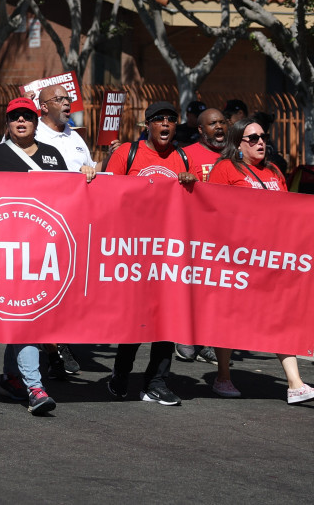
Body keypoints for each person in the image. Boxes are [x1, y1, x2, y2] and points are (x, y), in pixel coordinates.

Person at [0, 97, 94, 414]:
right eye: (15, 117)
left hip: (45, 252)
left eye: (27, 116)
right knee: (26, 318)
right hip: (9, 252)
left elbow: (67, 195)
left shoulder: (52, 155)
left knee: (28, 318)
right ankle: (35, 387)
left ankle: (10, 379)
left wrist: (84, 175)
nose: (21, 121)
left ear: (35, 121)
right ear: (7, 123)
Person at [207, 118, 314, 404]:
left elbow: (288, 209)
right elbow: (212, 210)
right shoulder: (225, 169)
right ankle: (223, 376)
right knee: (229, 318)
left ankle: (295, 384)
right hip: (237, 258)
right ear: (238, 144)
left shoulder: (274, 171)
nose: (261, 142)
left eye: (263, 137)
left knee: (280, 317)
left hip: (272, 259)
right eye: (252, 138)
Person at [103, 101, 197, 406]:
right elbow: (107, 193)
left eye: (171, 119)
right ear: (149, 126)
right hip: (133, 251)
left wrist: (191, 183)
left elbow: (198, 204)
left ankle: (157, 382)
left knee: (167, 318)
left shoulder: (183, 157)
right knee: (136, 318)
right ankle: (120, 373)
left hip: (169, 252)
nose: (166, 124)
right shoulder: (127, 153)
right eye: (159, 120)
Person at [32, 82, 97, 379]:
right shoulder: (34, 134)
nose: (68, 103)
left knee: (69, 288)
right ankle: (53, 349)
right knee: (46, 286)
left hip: (75, 224)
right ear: (43, 106)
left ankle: (58, 342)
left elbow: (91, 169)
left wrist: (91, 170)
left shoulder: (75, 137)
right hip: (43, 225)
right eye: (59, 99)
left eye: (68, 99)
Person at [175, 107, 229, 365]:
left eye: (222, 122)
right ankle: (185, 334)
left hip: (227, 236)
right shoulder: (186, 155)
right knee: (194, 287)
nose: (219, 127)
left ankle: (208, 341)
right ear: (200, 129)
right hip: (195, 233)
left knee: (217, 290)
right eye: (212, 124)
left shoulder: (235, 155)